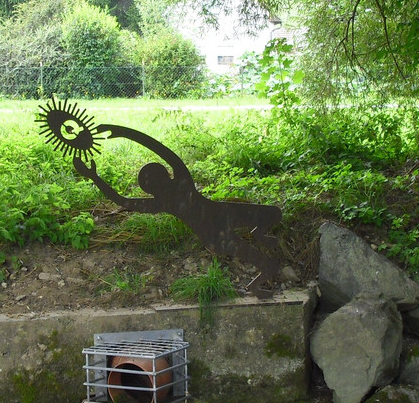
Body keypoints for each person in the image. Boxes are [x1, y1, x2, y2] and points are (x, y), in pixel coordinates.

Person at [72, 123, 282, 293]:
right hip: (213, 233)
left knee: (273, 213)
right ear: (161, 178)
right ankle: (255, 283)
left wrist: (96, 173)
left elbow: (122, 198)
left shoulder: (173, 190)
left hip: (221, 214)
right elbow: (160, 156)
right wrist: (123, 135)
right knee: (264, 259)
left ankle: (259, 235)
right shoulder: (169, 195)